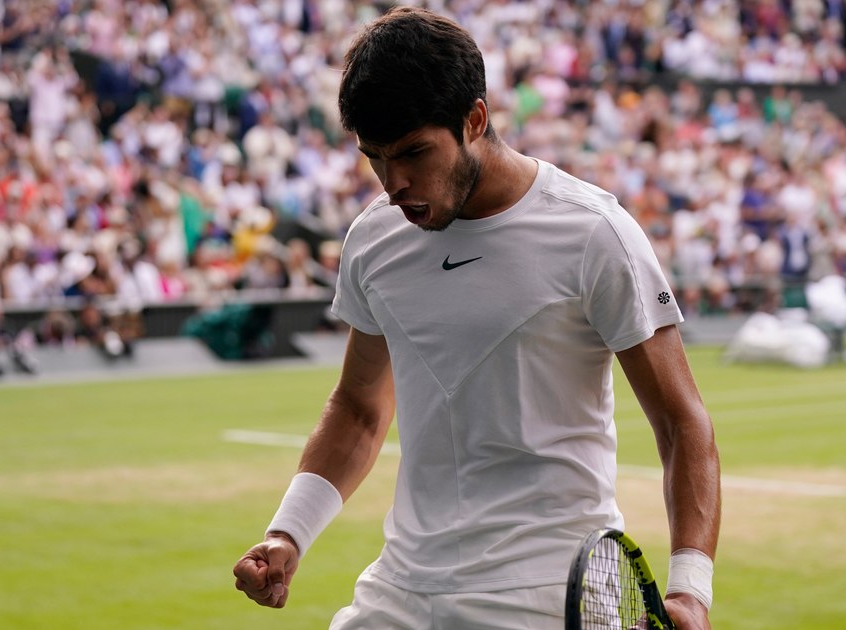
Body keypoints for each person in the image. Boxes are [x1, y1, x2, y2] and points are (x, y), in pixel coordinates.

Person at [233, 7, 721, 630]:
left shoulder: (595, 233)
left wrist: (690, 590)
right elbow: (358, 408)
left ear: (476, 119)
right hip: (401, 589)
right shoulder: (373, 238)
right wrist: (287, 535)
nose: (394, 182)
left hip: (549, 595)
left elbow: (683, 422)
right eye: (374, 157)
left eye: (413, 152)